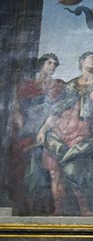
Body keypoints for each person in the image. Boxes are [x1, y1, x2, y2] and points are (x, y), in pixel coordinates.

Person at [37, 51, 93, 216]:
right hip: (57, 132)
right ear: (81, 61)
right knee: (55, 172)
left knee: (76, 172)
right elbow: (57, 110)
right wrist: (43, 130)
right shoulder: (70, 85)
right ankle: (59, 210)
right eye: (91, 57)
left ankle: (84, 209)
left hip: (80, 134)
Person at [10, 52, 65, 215]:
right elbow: (16, 106)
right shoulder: (27, 85)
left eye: (55, 64)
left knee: (42, 166)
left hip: (47, 130)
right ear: (42, 65)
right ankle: (25, 204)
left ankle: (43, 206)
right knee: (24, 164)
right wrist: (20, 122)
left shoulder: (58, 86)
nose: (53, 66)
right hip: (27, 129)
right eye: (50, 63)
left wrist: (44, 129)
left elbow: (58, 110)